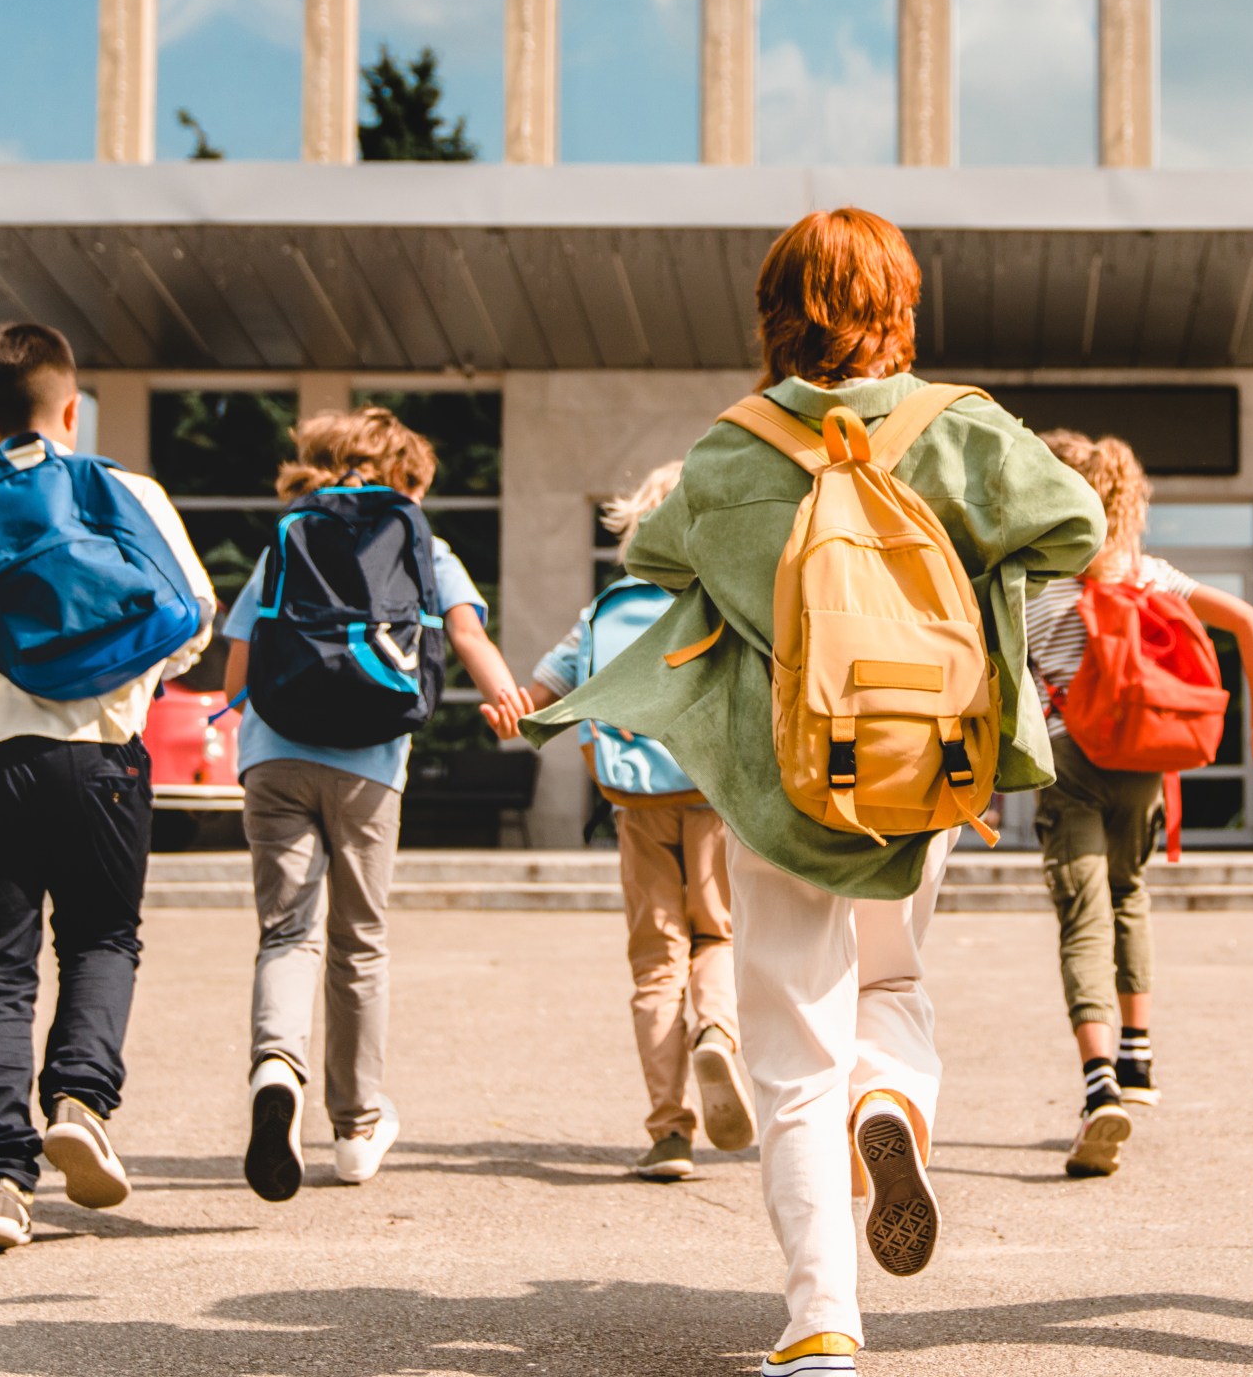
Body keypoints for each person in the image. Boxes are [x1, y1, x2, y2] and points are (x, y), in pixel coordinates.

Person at [522, 208, 1102, 1376]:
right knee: (891, 975)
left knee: (791, 1043)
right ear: (901, 305)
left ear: (774, 312)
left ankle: (821, 1314)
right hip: (925, 766)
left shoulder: (731, 450)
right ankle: (890, 1101)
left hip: (782, 780)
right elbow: (1076, 526)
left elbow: (650, 562)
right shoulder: (962, 427)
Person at [0, 322, 216, 1254]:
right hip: (102, 758)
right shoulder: (130, 495)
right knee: (103, 936)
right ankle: (79, 1100)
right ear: (74, 407)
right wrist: (118, 676)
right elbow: (193, 619)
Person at [222, 406, 530, 1201]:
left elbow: (238, 670)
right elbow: (465, 636)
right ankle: (356, 1128)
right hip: (369, 765)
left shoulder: (288, 535)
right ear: (406, 479)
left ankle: (275, 1070)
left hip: (275, 754)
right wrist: (507, 702)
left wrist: (248, 740)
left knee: (286, 933)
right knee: (358, 943)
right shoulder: (426, 544)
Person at [1027, 430, 1253, 1179]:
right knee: (1129, 893)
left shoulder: (1035, 585)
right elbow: (1251, 622)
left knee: (1084, 915)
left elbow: (1000, 682)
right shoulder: (1147, 574)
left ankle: (1098, 1082)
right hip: (1144, 762)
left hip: (1071, 759)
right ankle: (1139, 1058)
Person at [497, 461, 755, 1184]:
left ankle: (669, 1131)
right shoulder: (725, 600)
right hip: (713, 795)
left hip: (635, 802)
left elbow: (538, 698)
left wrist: (507, 709)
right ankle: (716, 1030)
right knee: (718, 936)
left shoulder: (605, 609)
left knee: (655, 960)